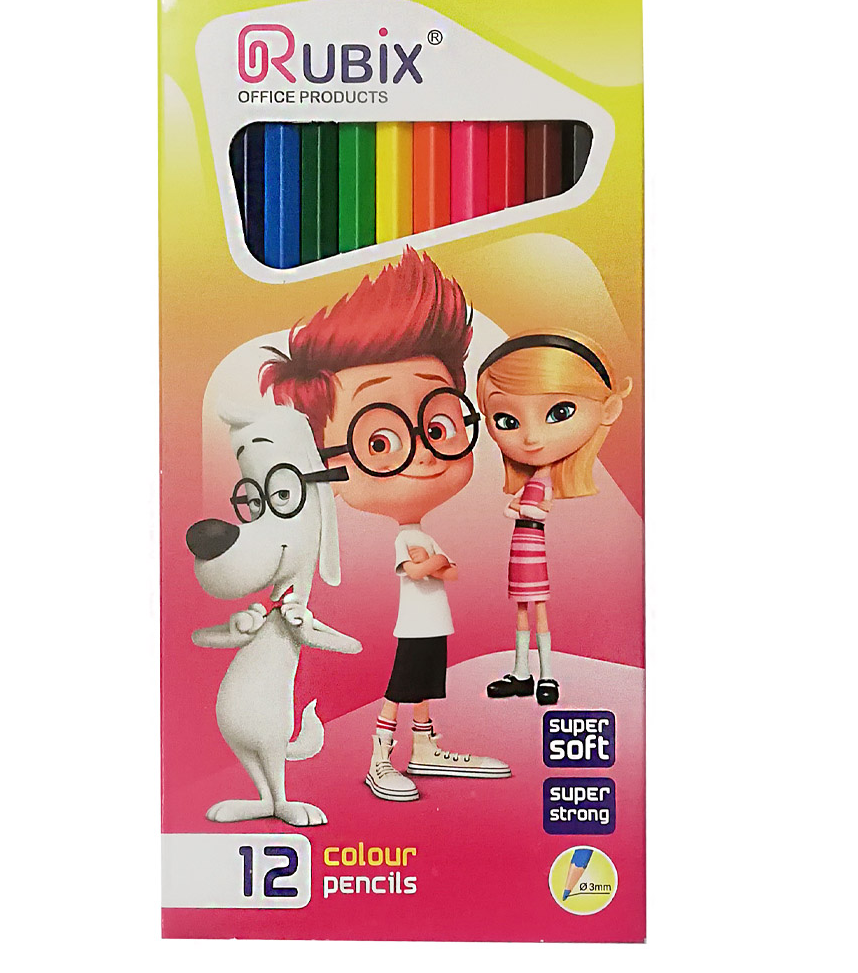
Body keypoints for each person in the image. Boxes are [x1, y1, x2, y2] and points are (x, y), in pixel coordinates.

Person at [260, 249, 510, 802]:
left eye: (438, 425)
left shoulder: (418, 529)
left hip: (430, 625)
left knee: (424, 687)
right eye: (380, 441)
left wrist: (438, 565)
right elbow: (419, 567)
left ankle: (425, 747)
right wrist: (437, 565)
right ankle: (380, 757)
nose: (424, 451)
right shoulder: (405, 538)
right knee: (401, 688)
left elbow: (436, 569)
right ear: (327, 464)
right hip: (412, 629)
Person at [476, 330, 632, 704]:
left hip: (533, 551)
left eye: (559, 413)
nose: (531, 438)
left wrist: (522, 510)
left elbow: (536, 510)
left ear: (608, 409)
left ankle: (546, 675)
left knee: (538, 613)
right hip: (520, 552)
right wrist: (518, 509)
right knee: (521, 613)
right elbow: (517, 507)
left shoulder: (545, 481)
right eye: (506, 420)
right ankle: (521, 672)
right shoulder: (531, 480)